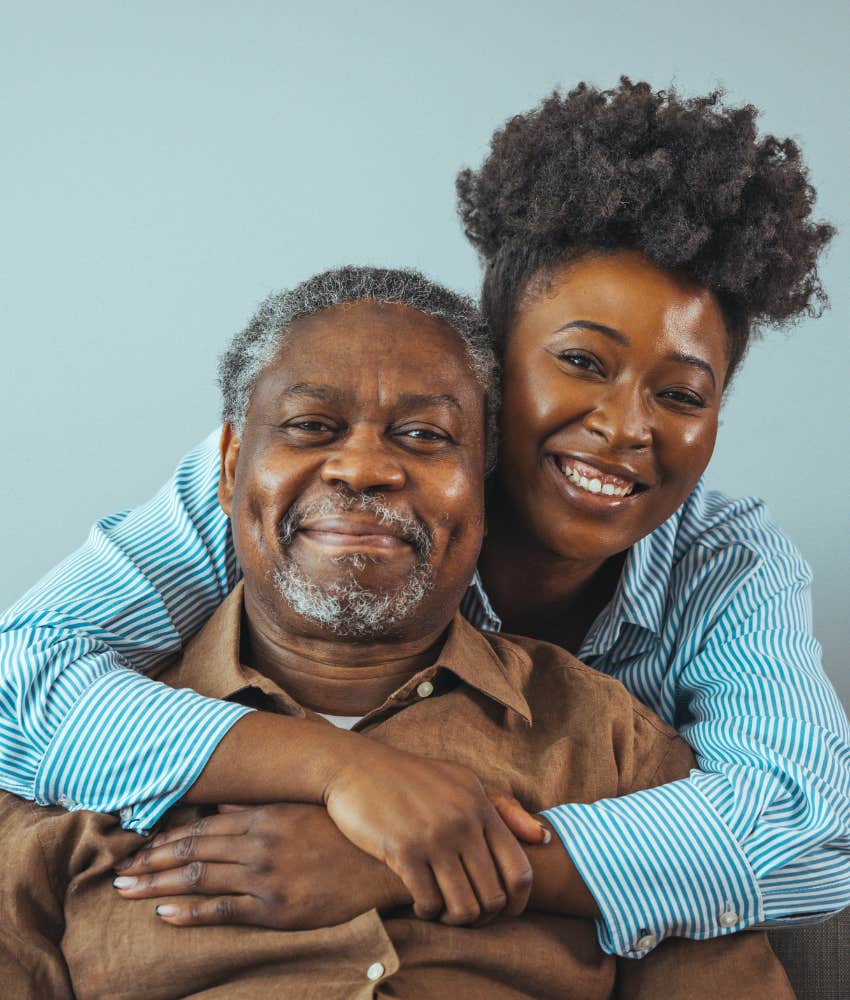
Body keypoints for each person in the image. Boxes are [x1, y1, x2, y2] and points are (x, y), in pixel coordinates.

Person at [0, 80, 847, 961]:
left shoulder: (723, 564)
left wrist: (407, 859)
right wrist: (342, 771)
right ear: (483, 368)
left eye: (679, 394)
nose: (626, 426)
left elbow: (809, 828)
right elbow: (20, 681)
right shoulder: (300, 496)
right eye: (580, 361)